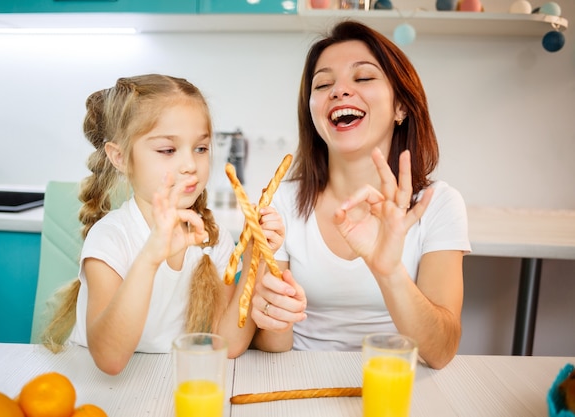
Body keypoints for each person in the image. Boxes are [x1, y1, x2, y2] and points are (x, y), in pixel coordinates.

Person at [250, 21, 471, 369]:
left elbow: (440, 351)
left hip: (395, 382)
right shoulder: (281, 202)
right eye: (323, 84)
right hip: (295, 380)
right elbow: (271, 346)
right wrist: (275, 316)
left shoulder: (437, 204)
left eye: (363, 78)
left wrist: (388, 271)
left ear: (401, 107)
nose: (339, 91)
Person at [40, 74, 284, 375]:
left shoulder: (212, 238)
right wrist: (151, 256)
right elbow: (109, 360)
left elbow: (227, 344)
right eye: (168, 150)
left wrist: (252, 259)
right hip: (99, 393)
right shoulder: (110, 239)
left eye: (201, 148)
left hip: (166, 386)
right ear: (120, 157)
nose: (190, 165)